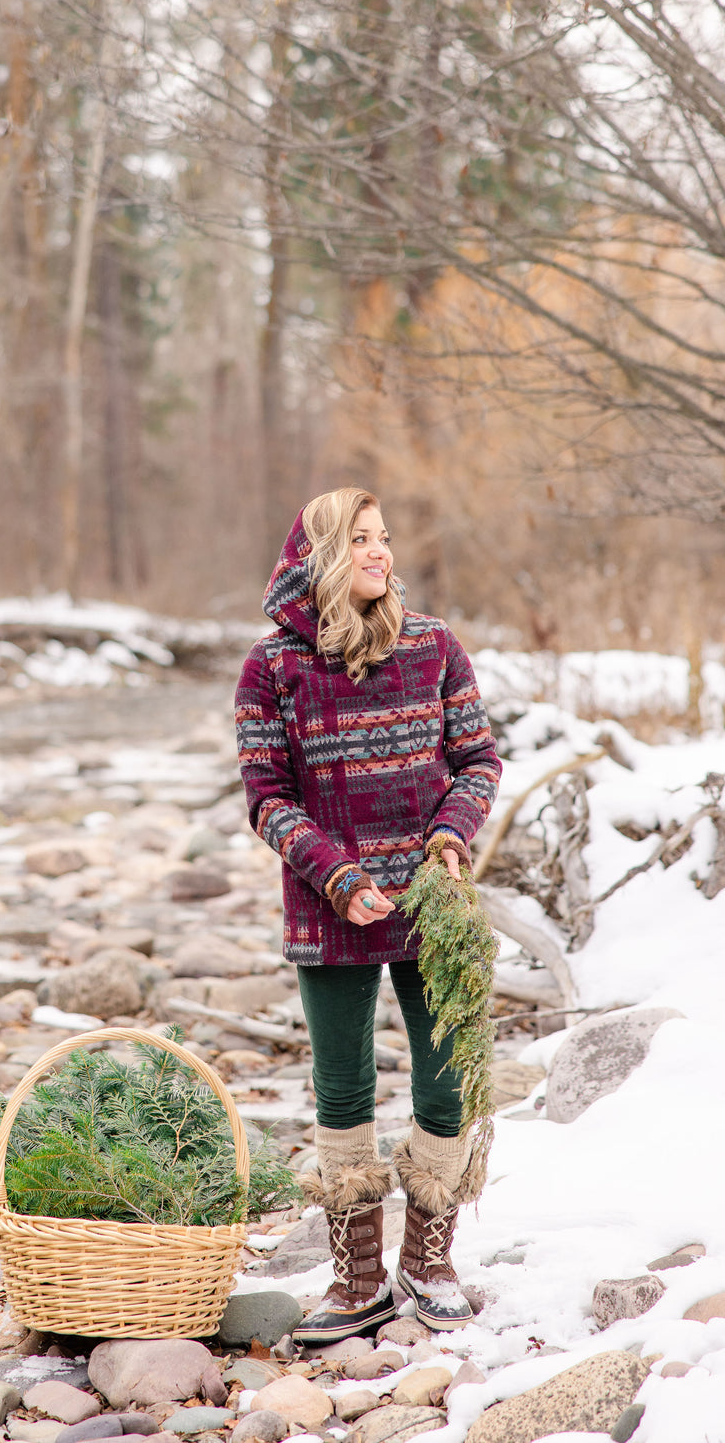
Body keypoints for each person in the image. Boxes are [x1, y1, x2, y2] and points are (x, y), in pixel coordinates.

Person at [235, 486, 502, 1342]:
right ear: (318, 555)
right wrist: (338, 876)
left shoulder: (433, 646)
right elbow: (268, 798)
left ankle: (427, 1262)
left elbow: (478, 759)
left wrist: (451, 841)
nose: (380, 553)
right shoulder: (272, 667)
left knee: (446, 1078)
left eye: (383, 538)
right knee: (343, 1088)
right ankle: (358, 1282)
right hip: (330, 909)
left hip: (433, 903)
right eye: (359, 540)